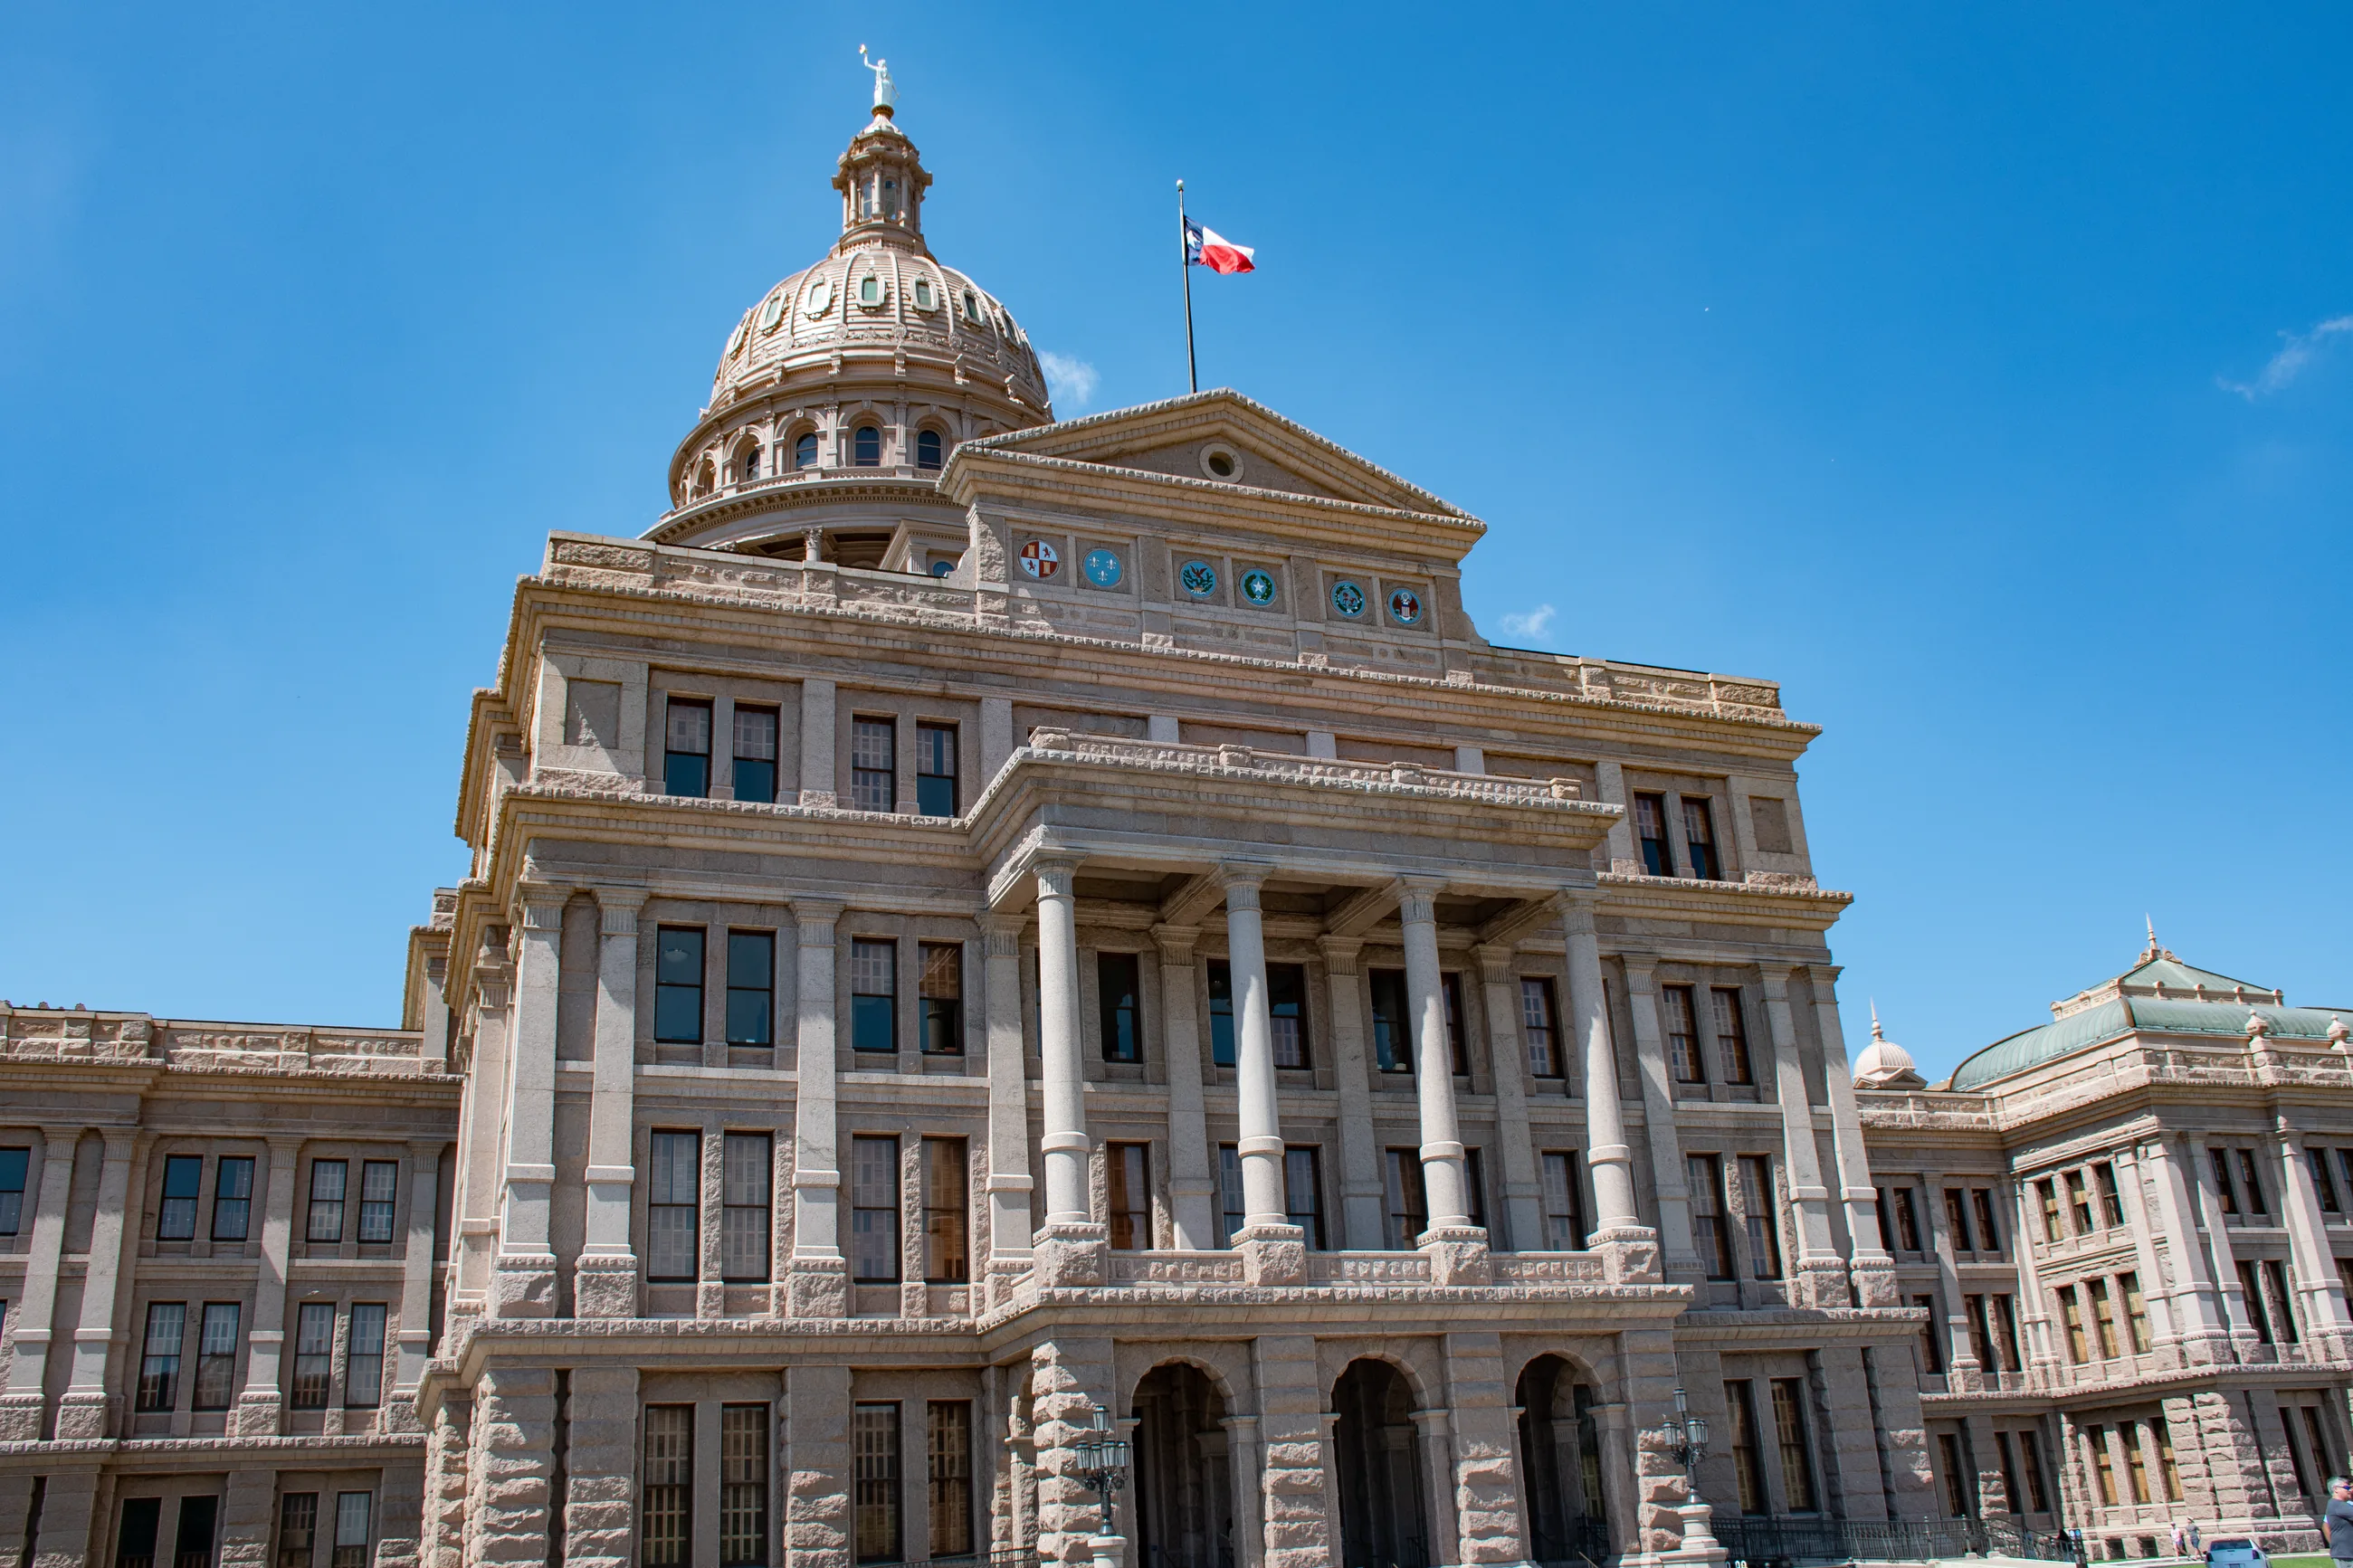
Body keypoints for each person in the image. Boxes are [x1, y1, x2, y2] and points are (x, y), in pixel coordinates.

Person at [2327, 1477, 2353, 1563]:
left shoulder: (2337, 1505)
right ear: (2336, 1489)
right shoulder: (2338, 1505)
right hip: (2346, 1555)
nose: (2349, 1490)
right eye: (2346, 1488)